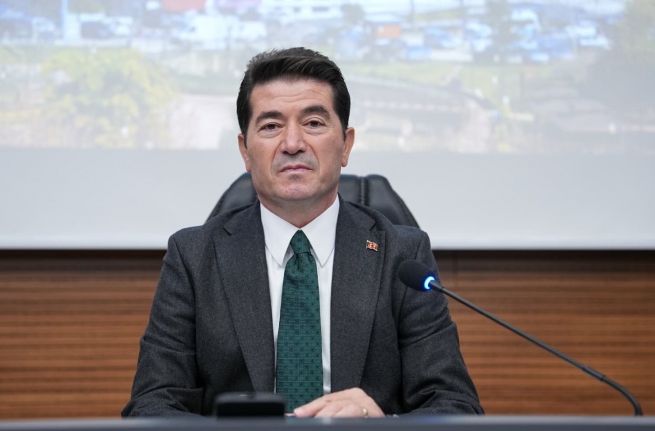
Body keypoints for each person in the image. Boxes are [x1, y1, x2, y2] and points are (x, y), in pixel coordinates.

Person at [122, 47, 482, 418]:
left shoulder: (403, 256)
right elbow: (152, 406)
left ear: (346, 144)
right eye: (271, 126)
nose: (292, 144)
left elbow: (456, 407)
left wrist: (380, 424)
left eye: (313, 123)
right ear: (245, 151)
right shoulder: (193, 257)